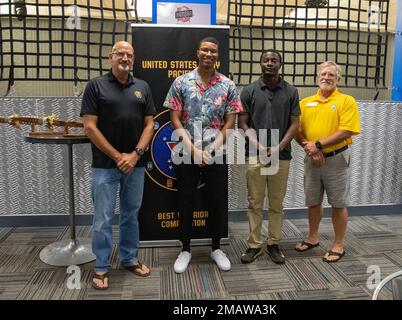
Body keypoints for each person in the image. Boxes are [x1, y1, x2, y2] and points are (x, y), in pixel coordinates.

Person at [163, 36, 243, 273]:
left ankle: (217, 247)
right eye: (205, 50)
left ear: (218, 55)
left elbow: (231, 120)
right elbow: (174, 117)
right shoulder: (182, 82)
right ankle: (185, 249)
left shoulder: (227, 85)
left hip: (216, 151)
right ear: (198, 52)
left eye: (213, 51)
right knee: (185, 200)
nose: (209, 54)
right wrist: (192, 149)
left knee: (217, 200)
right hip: (186, 151)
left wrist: (212, 148)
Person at [81, 41, 156, 289]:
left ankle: (129, 258)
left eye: (129, 55)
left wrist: (134, 155)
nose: (125, 57)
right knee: (102, 218)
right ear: (110, 56)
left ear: (133, 59)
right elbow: (90, 126)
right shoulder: (95, 86)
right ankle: (101, 266)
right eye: (120, 53)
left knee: (130, 214)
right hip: (105, 165)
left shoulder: (142, 87)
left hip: (135, 164)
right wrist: (117, 156)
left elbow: (149, 124)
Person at [294, 61, 360, 263]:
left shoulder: (346, 101)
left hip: (336, 159)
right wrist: (309, 147)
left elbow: (347, 130)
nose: (326, 78)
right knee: (313, 201)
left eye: (331, 75)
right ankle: (312, 238)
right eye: (323, 74)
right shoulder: (305, 103)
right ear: (317, 77)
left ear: (338, 79)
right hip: (312, 158)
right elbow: (297, 131)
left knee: (338, 203)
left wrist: (319, 145)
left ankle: (338, 244)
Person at [239, 49, 299, 264]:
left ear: (280, 64)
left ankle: (273, 244)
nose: (270, 63)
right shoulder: (249, 91)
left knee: (276, 203)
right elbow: (242, 123)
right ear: (261, 63)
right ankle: (254, 245)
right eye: (266, 60)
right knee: (254, 202)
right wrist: (257, 144)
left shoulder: (291, 91)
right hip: (255, 154)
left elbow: (295, 124)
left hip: (280, 156)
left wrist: (279, 146)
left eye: (274, 60)